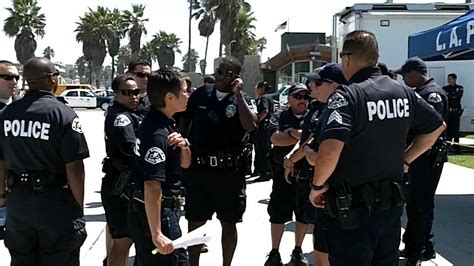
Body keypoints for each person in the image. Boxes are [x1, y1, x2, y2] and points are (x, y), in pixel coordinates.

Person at [308, 31, 446, 266]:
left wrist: (317, 186)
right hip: (389, 211)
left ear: (347, 59)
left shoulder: (348, 95)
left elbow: (330, 149)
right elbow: (436, 127)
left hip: (352, 212)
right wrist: (406, 159)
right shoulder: (402, 93)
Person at [0, 57, 89, 265]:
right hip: (54, 202)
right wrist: (78, 208)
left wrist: (2, 196)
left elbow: (1, 160)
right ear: (51, 79)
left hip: (19, 202)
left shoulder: (7, 115)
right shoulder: (63, 114)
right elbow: (75, 166)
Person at [180, 57, 257, 266]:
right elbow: (184, 122)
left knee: (229, 224)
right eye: (220, 72)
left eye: (229, 73)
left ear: (236, 77)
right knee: (195, 222)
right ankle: (193, 263)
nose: (223, 77)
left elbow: (250, 125)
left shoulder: (243, 98)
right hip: (200, 170)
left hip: (229, 172)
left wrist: (238, 94)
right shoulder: (201, 94)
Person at [128, 68, 191, 265]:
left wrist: (184, 145)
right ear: (170, 97)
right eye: (184, 91)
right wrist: (157, 233)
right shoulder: (157, 134)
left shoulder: (166, 125)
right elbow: (152, 185)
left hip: (165, 213)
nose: (188, 95)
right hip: (159, 216)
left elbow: (185, 164)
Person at [396, 57, 449, 265]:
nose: (403, 78)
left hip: (426, 157)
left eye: (405, 74)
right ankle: (421, 244)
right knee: (417, 203)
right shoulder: (421, 93)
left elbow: (432, 127)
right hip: (421, 156)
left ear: (417, 72)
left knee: (420, 204)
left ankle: (416, 251)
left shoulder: (431, 94)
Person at [295, 64, 347, 266]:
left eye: (317, 83)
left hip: (333, 192)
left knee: (324, 251)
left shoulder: (337, 112)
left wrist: (308, 154)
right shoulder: (321, 109)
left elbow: (322, 157)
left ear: (334, 86)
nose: (311, 87)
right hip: (336, 192)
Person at [265, 83, 311, 266]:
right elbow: (275, 138)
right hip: (280, 174)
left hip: (305, 173)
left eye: (306, 97)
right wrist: (301, 136)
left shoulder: (312, 116)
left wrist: (291, 132)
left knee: (302, 214)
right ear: (290, 98)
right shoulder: (280, 115)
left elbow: (313, 138)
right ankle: (274, 252)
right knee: (278, 213)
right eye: (298, 96)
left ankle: (298, 251)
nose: (303, 100)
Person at [101, 74, 142, 265]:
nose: (134, 96)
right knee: (123, 242)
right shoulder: (121, 118)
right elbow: (132, 150)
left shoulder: (132, 113)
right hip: (121, 186)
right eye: (127, 93)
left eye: (136, 92)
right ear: (116, 93)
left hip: (126, 184)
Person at [252, 81, 274, 181]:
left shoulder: (264, 98)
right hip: (265, 127)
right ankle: (260, 170)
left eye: (257, 88)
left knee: (263, 150)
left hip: (264, 127)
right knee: (260, 149)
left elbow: (265, 111)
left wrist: (257, 121)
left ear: (261, 88)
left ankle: (266, 172)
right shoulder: (268, 97)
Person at [442, 73, 464, 154]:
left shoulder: (459, 88)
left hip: (455, 112)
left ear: (455, 79)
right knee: (447, 131)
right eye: (448, 79)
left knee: (455, 132)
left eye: (450, 79)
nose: (449, 80)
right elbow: (445, 97)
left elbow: (458, 97)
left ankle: (457, 149)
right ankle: (447, 148)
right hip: (448, 112)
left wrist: (450, 95)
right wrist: (451, 95)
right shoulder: (445, 88)